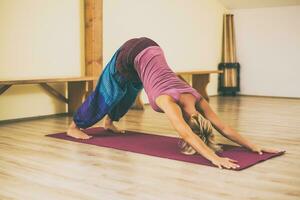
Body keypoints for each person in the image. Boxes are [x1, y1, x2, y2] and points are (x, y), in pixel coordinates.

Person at [67, 37, 282, 169]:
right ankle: (74, 126)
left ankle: (109, 123)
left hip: (150, 50)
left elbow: (224, 128)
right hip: (129, 52)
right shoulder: (167, 100)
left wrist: (255, 147)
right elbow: (187, 134)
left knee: (130, 91)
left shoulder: (197, 99)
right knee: (109, 92)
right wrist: (213, 157)